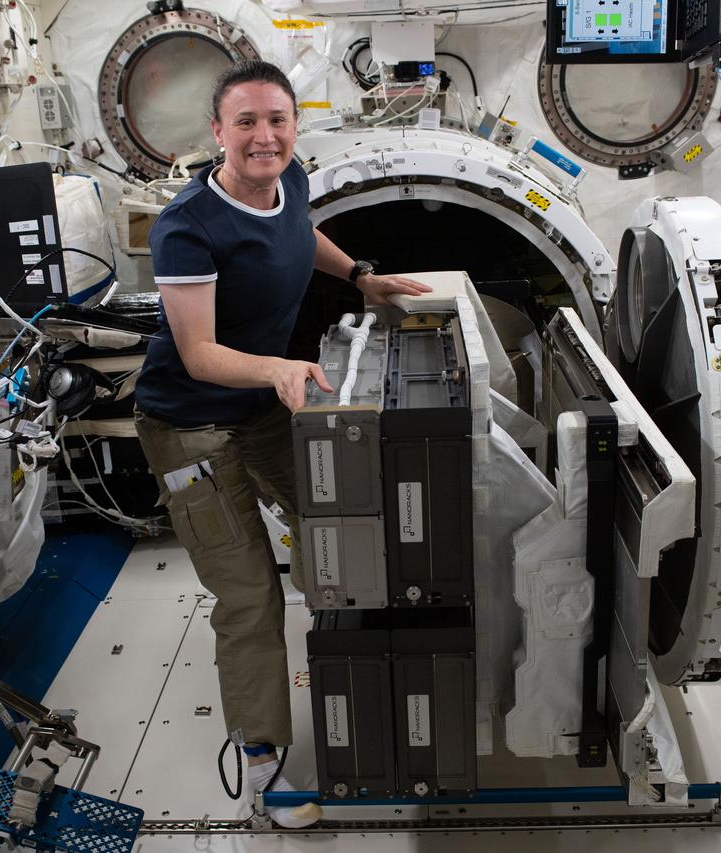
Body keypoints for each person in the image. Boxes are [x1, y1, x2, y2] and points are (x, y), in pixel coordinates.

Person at [133, 60, 430, 826]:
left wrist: (360, 275)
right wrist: (277, 368)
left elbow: (302, 233)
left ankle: (354, 665)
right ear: (217, 132)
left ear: (295, 126)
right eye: (246, 122)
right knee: (249, 594)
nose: (264, 136)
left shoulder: (290, 178)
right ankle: (263, 765)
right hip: (189, 426)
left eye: (277, 120)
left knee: (343, 519)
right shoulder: (187, 227)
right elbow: (198, 354)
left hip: (257, 406)